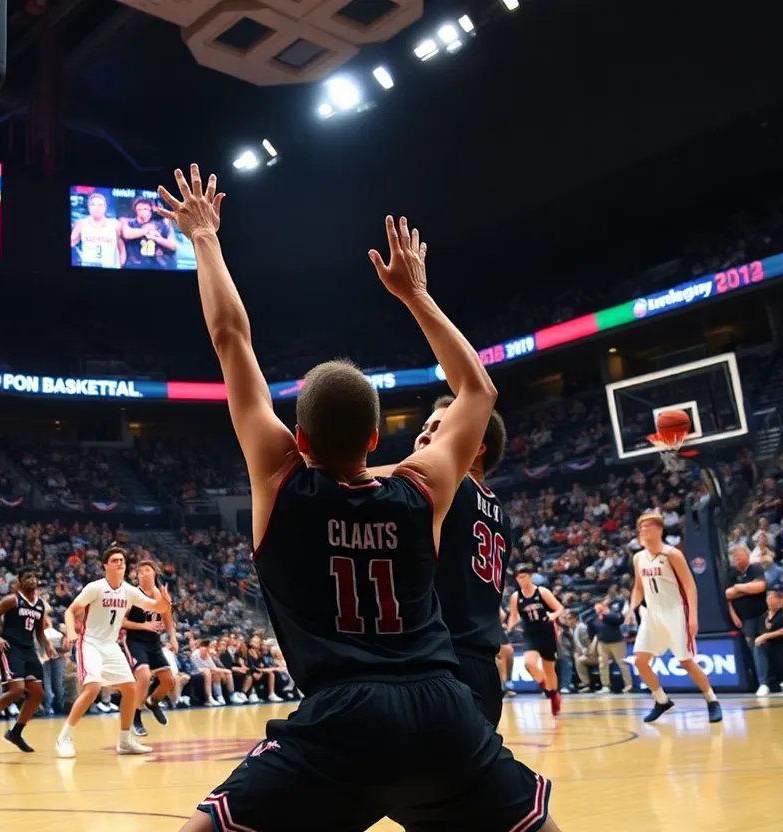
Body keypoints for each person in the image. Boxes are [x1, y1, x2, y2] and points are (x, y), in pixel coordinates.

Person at [156, 165, 556, 831]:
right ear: (377, 436)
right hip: (443, 708)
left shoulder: (281, 481)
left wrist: (204, 237)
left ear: (299, 435)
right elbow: (478, 392)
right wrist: (416, 295)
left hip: (343, 717)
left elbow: (231, 339)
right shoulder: (421, 490)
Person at [371, 395, 510, 726]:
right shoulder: (501, 514)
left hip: (443, 666)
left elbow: (350, 476)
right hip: (483, 669)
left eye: (439, 429)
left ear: (476, 445)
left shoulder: (448, 483)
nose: (425, 435)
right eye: (425, 428)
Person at [56, 545, 171, 758]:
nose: (120, 563)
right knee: (92, 688)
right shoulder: (95, 587)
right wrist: (71, 631)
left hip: (110, 645)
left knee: (130, 689)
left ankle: (125, 741)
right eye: (115, 560)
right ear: (105, 565)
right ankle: (63, 737)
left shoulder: (129, 591)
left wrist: (164, 602)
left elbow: (158, 608)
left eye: (123, 561)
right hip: (89, 643)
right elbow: (71, 610)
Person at [630, 511, 722, 723]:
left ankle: (711, 699)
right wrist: (630, 609)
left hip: (675, 612)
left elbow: (690, 585)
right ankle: (661, 700)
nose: (643, 531)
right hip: (652, 614)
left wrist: (693, 617)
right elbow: (638, 588)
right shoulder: (638, 558)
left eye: (648, 527)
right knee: (640, 661)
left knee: (686, 660)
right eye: (641, 527)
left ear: (659, 529)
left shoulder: (672, 554)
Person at [0, 571, 56, 753]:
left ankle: (15, 733)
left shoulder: (40, 606)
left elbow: (38, 632)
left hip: (29, 650)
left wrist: (47, 645)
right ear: (19, 583)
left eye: (33, 577)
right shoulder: (12, 600)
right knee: (17, 690)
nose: (31, 579)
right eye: (27, 577)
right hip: (10, 648)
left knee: (38, 693)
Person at [124, 559, 179, 736]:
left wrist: (172, 638)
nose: (143, 574)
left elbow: (168, 621)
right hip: (135, 640)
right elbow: (121, 622)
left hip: (154, 642)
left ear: (154, 573)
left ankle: (153, 702)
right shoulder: (132, 595)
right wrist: (143, 626)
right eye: (139, 572)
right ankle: (136, 717)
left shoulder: (161, 595)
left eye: (147, 570)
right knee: (144, 675)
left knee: (169, 681)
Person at [505, 565, 564, 716]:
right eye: (518, 578)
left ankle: (554, 695)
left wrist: (552, 616)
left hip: (547, 632)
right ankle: (547, 687)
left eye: (524, 577)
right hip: (530, 633)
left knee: (549, 668)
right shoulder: (516, 597)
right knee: (529, 664)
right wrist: (510, 627)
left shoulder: (542, 592)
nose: (521, 580)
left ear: (530, 577)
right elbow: (513, 616)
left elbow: (559, 608)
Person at [725, 545, 769, 696]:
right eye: (735, 557)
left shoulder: (755, 568)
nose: (737, 560)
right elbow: (728, 595)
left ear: (747, 556)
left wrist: (738, 588)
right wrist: (734, 616)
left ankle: (771, 681)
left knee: (766, 647)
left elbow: (760, 587)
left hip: (762, 614)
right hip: (744, 619)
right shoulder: (731, 573)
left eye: (739, 557)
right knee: (753, 650)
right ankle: (761, 682)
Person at [121, 197, 178, 269]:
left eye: (145, 209)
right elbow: (127, 234)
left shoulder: (161, 224)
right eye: (139, 209)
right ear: (135, 210)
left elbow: (173, 245)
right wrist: (148, 231)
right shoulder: (129, 223)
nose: (143, 211)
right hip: (134, 265)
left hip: (156, 266)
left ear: (151, 210)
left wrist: (156, 238)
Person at [70, 192, 124, 268]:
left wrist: (121, 263)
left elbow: (120, 244)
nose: (96, 208)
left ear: (105, 207)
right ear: (89, 207)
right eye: (93, 204)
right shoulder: (81, 224)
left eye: (100, 205)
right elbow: (72, 242)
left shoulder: (115, 224)